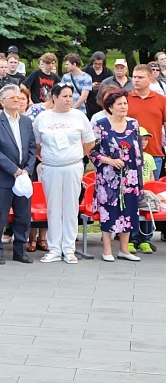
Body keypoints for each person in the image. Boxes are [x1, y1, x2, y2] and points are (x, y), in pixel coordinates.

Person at [34, 83, 96, 264]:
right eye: (65, 96)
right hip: (51, 168)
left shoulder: (79, 116)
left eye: (71, 96)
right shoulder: (43, 117)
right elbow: (37, 144)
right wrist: (49, 157)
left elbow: (89, 142)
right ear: (54, 97)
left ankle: (69, 249)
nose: (69, 100)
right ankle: (54, 248)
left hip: (73, 166)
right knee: (54, 208)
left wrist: (76, 156)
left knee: (70, 208)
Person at [89, 90, 143, 262]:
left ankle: (124, 250)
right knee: (108, 212)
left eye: (125, 103)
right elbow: (91, 151)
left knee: (129, 211)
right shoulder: (100, 125)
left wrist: (139, 177)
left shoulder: (134, 124)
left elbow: (138, 151)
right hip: (108, 178)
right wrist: (109, 161)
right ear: (110, 107)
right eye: (119, 104)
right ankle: (107, 250)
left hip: (130, 177)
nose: (123, 107)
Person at [0, 85, 37, 264]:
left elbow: (31, 148)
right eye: (12, 97)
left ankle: (20, 250)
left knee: (23, 215)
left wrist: (27, 170)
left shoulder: (26, 121)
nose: (17, 100)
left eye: (19, 97)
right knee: (0, 215)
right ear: (3, 101)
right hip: (3, 178)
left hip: (24, 177)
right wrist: (14, 169)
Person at [126, 64, 166, 252]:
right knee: (131, 196)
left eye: (140, 77)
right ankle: (132, 237)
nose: (136, 80)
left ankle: (146, 237)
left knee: (150, 196)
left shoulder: (161, 100)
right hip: (129, 156)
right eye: (134, 76)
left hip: (155, 154)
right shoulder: (125, 99)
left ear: (150, 79)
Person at [83, 51, 113, 117]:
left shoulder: (107, 71)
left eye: (100, 64)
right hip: (89, 100)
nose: (97, 66)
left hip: (102, 100)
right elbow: (81, 85)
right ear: (92, 62)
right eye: (95, 63)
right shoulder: (86, 70)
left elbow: (112, 85)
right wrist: (90, 86)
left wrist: (103, 86)